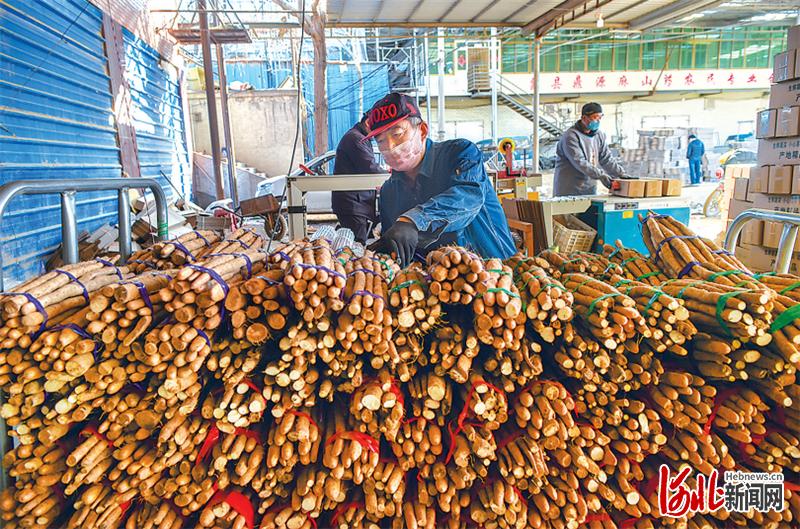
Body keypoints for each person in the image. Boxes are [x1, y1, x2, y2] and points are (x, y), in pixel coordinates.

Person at [365, 93, 515, 266]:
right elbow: (401, 249)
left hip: (495, 275)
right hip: (436, 285)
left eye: (397, 134)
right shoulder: (389, 192)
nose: (390, 147)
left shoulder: (461, 154)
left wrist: (413, 221)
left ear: (422, 131)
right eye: (381, 141)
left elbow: (467, 197)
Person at [553, 102, 629, 197]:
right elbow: (580, 162)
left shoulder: (598, 135)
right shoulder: (571, 136)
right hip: (569, 188)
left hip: (589, 188)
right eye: (595, 117)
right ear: (584, 118)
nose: (597, 121)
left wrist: (621, 173)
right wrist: (601, 176)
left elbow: (606, 159)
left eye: (600, 118)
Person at [331, 115, 383, 244]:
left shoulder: (359, 137)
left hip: (355, 203)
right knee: (356, 246)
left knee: (352, 244)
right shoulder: (356, 138)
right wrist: (389, 174)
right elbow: (370, 167)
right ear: (367, 122)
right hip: (352, 204)